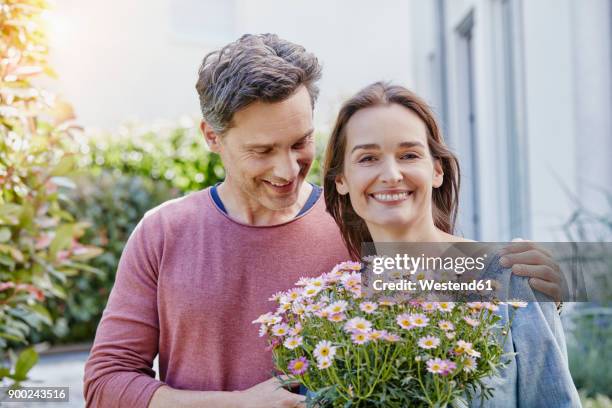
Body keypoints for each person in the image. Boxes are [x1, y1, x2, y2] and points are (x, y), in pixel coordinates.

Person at [83, 34, 565, 408]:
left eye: (300, 143)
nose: (287, 169)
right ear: (212, 135)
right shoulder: (164, 232)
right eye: (262, 150)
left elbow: (459, 303)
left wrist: (535, 294)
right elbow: (106, 383)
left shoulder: (362, 222)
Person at [322, 81, 580, 406]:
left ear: (437, 171)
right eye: (368, 158)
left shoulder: (510, 275)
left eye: (409, 154)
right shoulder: (333, 309)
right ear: (341, 180)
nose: (391, 174)